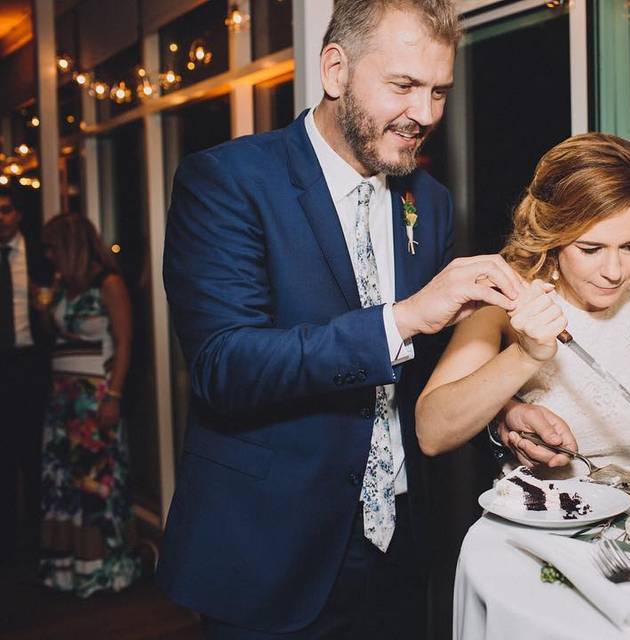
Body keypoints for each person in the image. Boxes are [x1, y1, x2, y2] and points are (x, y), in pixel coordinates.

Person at [156, 2, 562, 638]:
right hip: (270, 549)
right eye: (403, 86)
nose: (425, 114)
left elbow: (418, 366)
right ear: (336, 70)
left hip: (399, 545)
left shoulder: (428, 201)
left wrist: (501, 412)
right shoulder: (228, 181)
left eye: (438, 92)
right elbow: (223, 368)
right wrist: (400, 319)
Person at [416, 133, 630, 473]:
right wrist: (524, 354)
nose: (614, 271)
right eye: (590, 249)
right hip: (537, 516)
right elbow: (432, 433)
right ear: (554, 237)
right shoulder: (506, 297)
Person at [36, 212, 139, 596]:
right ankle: (69, 568)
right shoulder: (63, 284)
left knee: (94, 481)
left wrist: (114, 395)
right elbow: (54, 335)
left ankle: (104, 568)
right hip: (62, 397)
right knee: (63, 483)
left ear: (71, 246)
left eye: (52, 247)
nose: (48, 255)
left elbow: (125, 342)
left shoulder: (109, 283)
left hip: (94, 396)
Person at [0, 188, 51, 566]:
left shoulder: (41, 256)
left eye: (5, 211)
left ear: (18, 214)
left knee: (36, 453)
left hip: (34, 365)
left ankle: (39, 538)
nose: (1, 219)